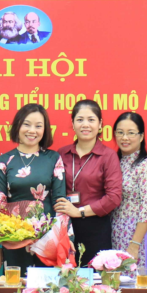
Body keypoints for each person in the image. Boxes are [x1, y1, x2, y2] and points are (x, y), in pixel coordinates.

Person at [0, 104, 67, 271]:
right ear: (17, 125)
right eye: (27, 124)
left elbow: (60, 203)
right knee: (16, 285)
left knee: (48, 285)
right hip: (14, 238)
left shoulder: (53, 158)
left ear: (45, 130)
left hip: (48, 238)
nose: (32, 130)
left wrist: (65, 237)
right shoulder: (4, 161)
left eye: (38, 126)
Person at [54, 100, 122, 266]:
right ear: (72, 124)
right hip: (64, 226)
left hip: (95, 226)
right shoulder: (62, 153)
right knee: (64, 275)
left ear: (100, 124)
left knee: (93, 277)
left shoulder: (108, 156)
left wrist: (79, 212)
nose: (85, 125)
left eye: (91, 120)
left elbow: (114, 197)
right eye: (80, 120)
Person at [110, 112, 147, 268]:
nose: (125, 138)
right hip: (114, 230)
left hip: (136, 234)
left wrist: (135, 244)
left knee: (134, 279)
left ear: (141, 136)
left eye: (131, 133)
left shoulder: (146, 166)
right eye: (120, 132)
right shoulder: (114, 161)